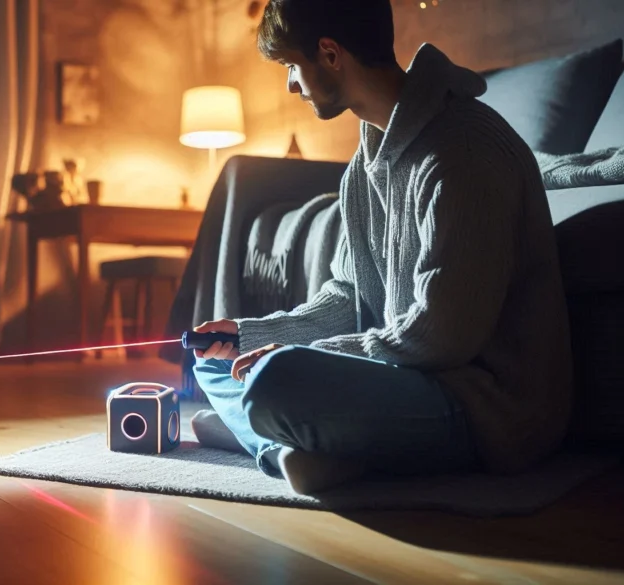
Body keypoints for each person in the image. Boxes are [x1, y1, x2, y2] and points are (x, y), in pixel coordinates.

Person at [191, 0, 573, 495]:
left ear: (329, 53)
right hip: (410, 379)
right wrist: (252, 333)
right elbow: (348, 295)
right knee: (216, 359)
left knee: (273, 379)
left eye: (291, 65)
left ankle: (273, 435)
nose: (290, 84)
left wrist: (294, 353)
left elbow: (443, 337)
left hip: (479, 403)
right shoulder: (362, 170)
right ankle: (289, 447)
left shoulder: (463, 151)